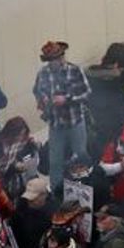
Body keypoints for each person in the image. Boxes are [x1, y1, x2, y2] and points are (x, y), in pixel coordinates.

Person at [32, 40, 92, 194]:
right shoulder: (43, 73)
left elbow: (86, 93)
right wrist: (42, 99)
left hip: (75, 121)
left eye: (55, 59)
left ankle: (86, 183)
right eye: (50, 61)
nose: (53, 63)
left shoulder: (75, 70)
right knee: (55, 160)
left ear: (62, 57)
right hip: (55, 123)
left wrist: (67, 99)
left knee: (81, 153)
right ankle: (57, 191)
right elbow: (37, 90)